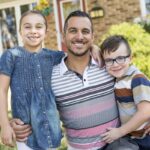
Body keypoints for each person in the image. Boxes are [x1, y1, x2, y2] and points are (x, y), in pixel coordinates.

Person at [10, 11, 140, 150]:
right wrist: (14, 123)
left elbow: (138, 86)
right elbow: (36, 107)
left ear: (92, 37)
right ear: (63, 35)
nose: (79, 36)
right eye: (73, 31)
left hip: (116, 145)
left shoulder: (108, 65)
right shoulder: (52, 76)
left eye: (85, 31)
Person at [0, 10, 64, 150]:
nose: (33, 31)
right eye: (27, 27)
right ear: (20, 31)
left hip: (51, 130)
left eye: (39, 27)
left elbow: (77, 55)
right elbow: (2, 90)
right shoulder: (11, 56)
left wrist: (93, 48)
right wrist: (4, 125)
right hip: (25, 132)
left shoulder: (54, 56)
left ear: (46, 32)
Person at [100, 35, 150, 150]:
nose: (115, 64)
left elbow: (146, 112)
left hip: (143, 138)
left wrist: (119, 132)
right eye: (109, 60)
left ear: (130, 58)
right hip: (131, 137)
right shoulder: (119, 79)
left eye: (121, 58)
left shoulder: (136, 78)